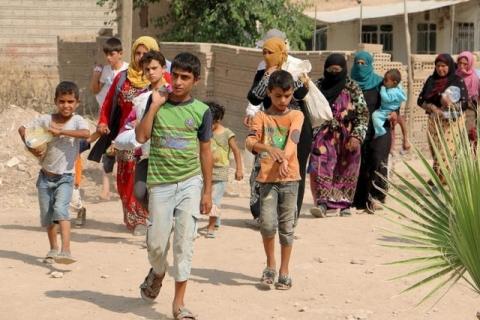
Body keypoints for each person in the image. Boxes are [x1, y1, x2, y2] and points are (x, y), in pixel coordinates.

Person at [135, 52, 213, 320]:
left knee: (184, 242)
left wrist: (207, 191)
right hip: (160, 183)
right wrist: (155, 106)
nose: (178, 82)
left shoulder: (202, 111)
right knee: (156, 246)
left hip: (190, 183)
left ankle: (178, 305)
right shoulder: (156, 102)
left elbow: (205, 152)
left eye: (185, 77)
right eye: (175, 76)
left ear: (196, 80)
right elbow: (141, 136)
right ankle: (157, 272)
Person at [88, 36, 160, 235]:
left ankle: (153, 217)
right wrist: (103, 122)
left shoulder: (161, 80)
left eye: (146, 54)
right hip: (127, 138)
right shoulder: (122, 78)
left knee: (151, 180)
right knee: (126, 178)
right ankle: (136, 219)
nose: (141, 57)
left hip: (153, 140)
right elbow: (109, 102)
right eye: (138, 53)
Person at [18, 81, 90, 264]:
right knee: (49, 216)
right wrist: (31, 146)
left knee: (60, 209)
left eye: (70, 102)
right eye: (62, 101)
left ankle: (66, 251)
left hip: (66, 177)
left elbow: (85, 133)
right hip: (45, 177)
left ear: (77, 103)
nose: (66, 105)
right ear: (56, 101)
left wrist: (61, 132)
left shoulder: (77, 121)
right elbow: (22, 129)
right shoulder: (45, 120)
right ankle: (53, 249)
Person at [246, 70, 304, 290]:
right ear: (269, 92)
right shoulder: (260, 117)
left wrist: (283, 159)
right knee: (268, 224)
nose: (282, 101)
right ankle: (270, 264)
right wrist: (268, 148)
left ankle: (284, 270)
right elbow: (250, 142)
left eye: (287, 96)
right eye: (278, 95)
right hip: (267, 180)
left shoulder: (296, 115)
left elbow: (294, 139)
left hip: (290, 179)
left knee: (287, 228)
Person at [247, 37, 310, 224]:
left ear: (281, 52)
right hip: (270, 130)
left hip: (296, 129)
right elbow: (254, 97)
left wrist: (299, 80)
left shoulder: (294, 70)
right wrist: (268, 75)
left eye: (270, 52)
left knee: (293, 172)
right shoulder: (262, 72)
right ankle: (265, 216)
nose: (267, 56)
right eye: (264, 52)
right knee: (263, 169)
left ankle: (290, 218)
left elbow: (300, 93)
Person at [309, 53, 368, 218]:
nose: (334, 73)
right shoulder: (317, 86)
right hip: (323, 135)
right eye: (330, 70)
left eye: (337, 70)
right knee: (320, 164)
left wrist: (357, 136)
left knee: (347, 167)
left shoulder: (352, 87)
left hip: (348, 136)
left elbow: (363, 114)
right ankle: (322, 203)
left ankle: (344, 204)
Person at [114, 50, 172, 209]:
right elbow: (130, 123)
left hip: (168, 151)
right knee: (140, 193)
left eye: (154, 68)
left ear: (163, 68)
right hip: (145, 153)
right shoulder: (141, 96)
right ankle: (158, 218)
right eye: (147, 69)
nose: (151, 72)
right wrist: (135, 126)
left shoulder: (171, 93)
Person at [350, 51, 392, 213]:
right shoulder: (349, 84)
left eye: (364, 64)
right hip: (357, 130)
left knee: (377, 160)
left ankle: (377, 197)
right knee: (359, 163)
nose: (360, 67)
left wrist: (394, 113)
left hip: (379, 129)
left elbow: (392, 101)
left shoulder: (380, 83)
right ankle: (359, 199)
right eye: (358, 63)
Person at [417, 53, 468, 184]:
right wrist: (432, 108)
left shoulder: (457, 80)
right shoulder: (431, 80)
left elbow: (464, 103)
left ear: (450, 66)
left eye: (444, 66)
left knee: (446, 153)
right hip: (434, 122)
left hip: (452, 123)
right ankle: (440, 179)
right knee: (436, 152)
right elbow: (420, 100)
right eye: (438, 66)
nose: (441, 69)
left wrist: (450, 106)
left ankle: (443, 182)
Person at [90, 37, 129, 201]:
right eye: (106, 54)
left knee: (124, 149)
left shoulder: (129, 70)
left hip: (123, 117)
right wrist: (96, 74)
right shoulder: (104, 70)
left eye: (112, 54)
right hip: (106, 116)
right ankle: (105, 190)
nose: (108, 57)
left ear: (120, 54)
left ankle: (124, 187)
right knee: (107, 150)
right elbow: (94, 90)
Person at [205, 101, 243, 238]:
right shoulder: (205, 132)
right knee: (207, 198)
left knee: (214, 199)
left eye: (212, 123)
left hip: (221, 171)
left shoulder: (227, 133)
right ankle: (216, 221)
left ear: (218, 120)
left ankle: (211, 227)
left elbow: (237, 152)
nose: (209, 126)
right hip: (206, 171)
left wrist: (239, 169)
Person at [372, 69, 406, 138]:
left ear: (394, 83)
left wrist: (383, 90)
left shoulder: (391, 91)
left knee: (375, 115)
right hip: (387, 110)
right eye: (384, 79)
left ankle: (380, 131)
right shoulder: (397, 89)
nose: (384, 82)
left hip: (387, 110)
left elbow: (386, 99)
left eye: (386, 80)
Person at [456, 51, 480, 139]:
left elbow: (476, 95)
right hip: (454, 108)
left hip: (469, 109)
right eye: (460, 63)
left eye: (465, 64)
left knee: (468, 134)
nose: (461, 66)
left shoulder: (475, 77)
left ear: (470, 64)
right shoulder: (455, 75)